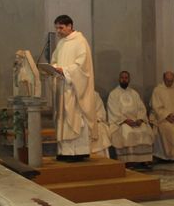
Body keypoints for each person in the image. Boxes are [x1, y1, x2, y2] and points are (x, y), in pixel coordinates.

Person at [50, 14, 97, 162]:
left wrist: (65, 70)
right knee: (63, 119)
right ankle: (64, 151)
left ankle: (78, 152)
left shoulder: (80, 42)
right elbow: (55, 60)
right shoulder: (61, 43)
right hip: (63, 87)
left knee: (75, 118)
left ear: (70, 26)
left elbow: (82, 66)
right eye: (56, 28)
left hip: (75, 89)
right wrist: (54, 68)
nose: (58, 31)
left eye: (61, 27)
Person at [107, 71, 153, 166]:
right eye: (122, 78)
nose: (124, 79)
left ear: (129, 79)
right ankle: (128, 160)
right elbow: (113, 111)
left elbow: (141, 108)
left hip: (136, 122)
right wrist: (125, 120)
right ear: (119, 79)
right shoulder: (113, 94)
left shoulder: (134, 93)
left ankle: (143, 160)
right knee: (126, 131)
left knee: (144, 129)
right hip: (121, 123)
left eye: (126, 78)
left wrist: (140, 119)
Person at [90, 92, 112, 158]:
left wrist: (97, 119)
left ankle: (102, 159)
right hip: (82, 123)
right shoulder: (75, 93)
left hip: (95, 121)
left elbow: (100, 111)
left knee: (100, 128)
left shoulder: (95, 94)